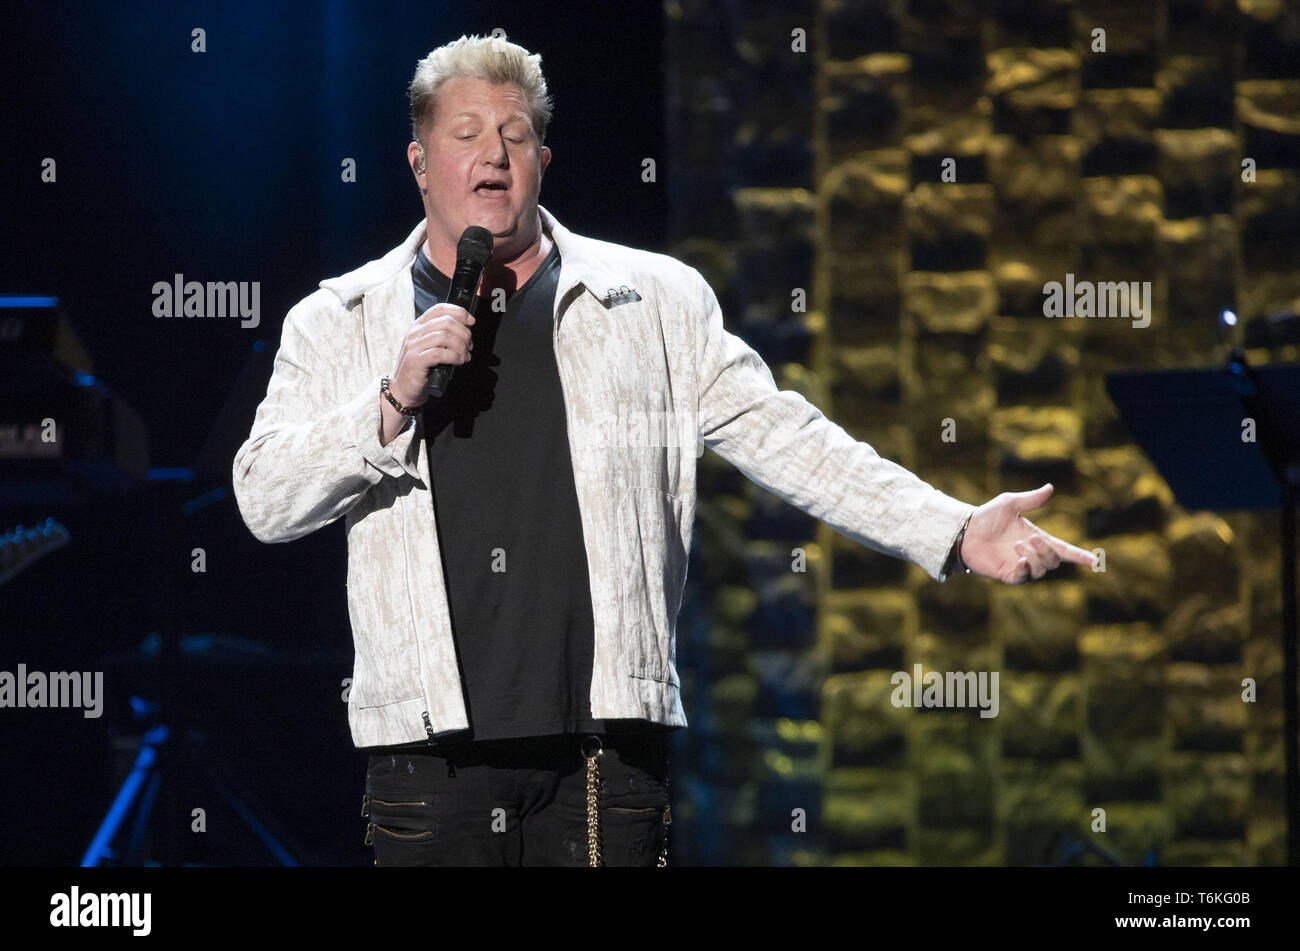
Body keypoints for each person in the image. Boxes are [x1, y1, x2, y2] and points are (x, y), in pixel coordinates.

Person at [231, 34, 1095, 867]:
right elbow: (265, 498)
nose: (492, 155)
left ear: (542, 161)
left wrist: (951, 529)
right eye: (465, 137)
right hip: (428, 759)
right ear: (421, 164)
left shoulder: (652, 301)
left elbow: (788, 436)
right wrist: (390, 401)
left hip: (607, 748)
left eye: (515, 135)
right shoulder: (339, 320)